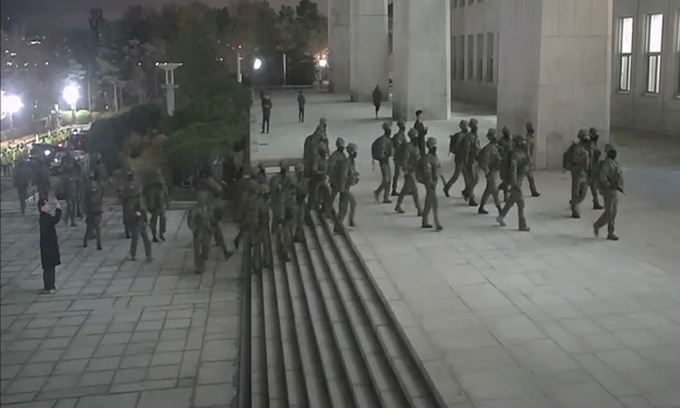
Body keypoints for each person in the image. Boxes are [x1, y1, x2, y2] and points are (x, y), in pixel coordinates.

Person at [497, 135, 531, 232]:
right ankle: (522, 225)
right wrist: (514, 183)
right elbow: (513, 170)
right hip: (516, 183)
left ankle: (501, 216)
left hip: (518, 181)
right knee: (521, 203)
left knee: (511, 201)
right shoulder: (516, 155)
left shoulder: (521, 154)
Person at [593, 145, 623, 241]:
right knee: (609, 212)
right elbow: (602, 177)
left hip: (613, 190)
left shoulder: (614, 163)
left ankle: (610, 232)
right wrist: (609, 185)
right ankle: (597, 225)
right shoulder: (607, 163)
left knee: (614, 212)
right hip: (609, 191)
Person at [563, 129, 591, 219]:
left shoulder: (586, 148)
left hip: (584, 172)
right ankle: (574, 209)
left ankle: (575, 202)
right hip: (577, 172)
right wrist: (583, 157)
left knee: (584, 192)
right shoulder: (576, 148)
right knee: (575, 191)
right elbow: (574, 160)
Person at [395, 129, 423, 216]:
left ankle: (398, 205)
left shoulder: (415, 146)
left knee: (405, 189)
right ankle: (419, 209)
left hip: (413, 170)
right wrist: (406, 170)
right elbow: (405, 159)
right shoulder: (409, 147)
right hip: (410, 171)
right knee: (414, 190)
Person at [334, 143, 359, 233]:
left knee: (344, 207)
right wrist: (342, 188)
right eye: (354, 151)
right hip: (344, 187)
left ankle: (339, 224)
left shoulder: (350, 162)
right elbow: (343, 175)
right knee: (351, 203)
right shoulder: (346, 162)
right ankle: (349, 222)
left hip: (346, 187)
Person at [419, 137, 443, 231]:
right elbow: (427, 172)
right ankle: (437, 223)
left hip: (433, 181)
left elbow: (438, 168)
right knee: (434, 203)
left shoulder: (433, 156)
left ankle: (424, 220)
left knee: (428, 202)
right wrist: (431, 182)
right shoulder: (428, 158)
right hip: (430, 182)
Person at [477, 128, 502, 215]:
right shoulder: (489, 148)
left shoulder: (495, 147)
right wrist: (487, 172)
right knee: (494, 191)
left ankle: (481, 207)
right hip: (491, 172)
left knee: (488, 190)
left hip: (494, 171)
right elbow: (485, 162)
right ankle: (500, 210)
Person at [39, 198, 61, 294]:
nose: (48, 206)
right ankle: (49, 286)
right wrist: (58, 209)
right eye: (46, 205)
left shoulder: (45, 217)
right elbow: (55, 220)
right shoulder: (45, 218)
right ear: (42, 207)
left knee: (50, 267)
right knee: (49, 268)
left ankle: (51, 285)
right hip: (48, 246)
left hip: (49, 246)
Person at [188, 191, 213, 274]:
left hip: (206, 229)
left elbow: (209, 219)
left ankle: (203, 257)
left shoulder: (207, 208)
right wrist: (194, 229)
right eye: (202, 198)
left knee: (207, 247)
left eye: (205, 198)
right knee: (197, 249)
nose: (204, 200)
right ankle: (199, 267)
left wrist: (210, 228)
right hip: (198, 230)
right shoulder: (194, 209)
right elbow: (191, 221)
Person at [443, 120, 469, 197]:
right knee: (457, 175)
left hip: (462, 158)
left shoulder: (462, 135)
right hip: (461, 158)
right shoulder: (461, 135)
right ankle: (447, 187)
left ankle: (467, 191)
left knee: (465, 176)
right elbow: (458, 147)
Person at [460, 118, 481, 206]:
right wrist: (466, 162)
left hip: (475, 160)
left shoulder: (476, 136)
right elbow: (466, 150)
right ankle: (471, 198)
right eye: (475, 126)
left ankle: (466, 191)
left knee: (476, 179)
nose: (476, 127)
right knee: (471, 180)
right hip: (470, 161)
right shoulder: (469, 137)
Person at [143, 170, 168, 242]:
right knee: (155, 220)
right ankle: (155, 235)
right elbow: (148, 197)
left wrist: (166, 201)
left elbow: (166, 193)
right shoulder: (151, 188)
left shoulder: (161, 187)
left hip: (161, 204)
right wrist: (150, 206)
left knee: (162, 219)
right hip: (156, 205)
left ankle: (161, 233)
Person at [372, 122, 394, 204]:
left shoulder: (385, 139)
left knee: (387, 179)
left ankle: (382, 194)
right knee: (387, 180)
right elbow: (383, 152)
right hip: (384, 162)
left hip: (385, 161)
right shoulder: (384, 140)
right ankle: (382, 194)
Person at [83, 171, 103, 250]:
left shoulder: (87, 188)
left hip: (91, 212)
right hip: (96, 211)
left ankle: (85, 241)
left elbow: (85, 201)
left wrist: (85, 210)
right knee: (97, 229)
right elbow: (100, 199)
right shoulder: (98, 188)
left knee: (89, 229)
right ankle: (98, 244)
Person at [327, 138, 347, 213]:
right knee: (332, 196)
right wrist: (332, 179)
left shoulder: (343, 155)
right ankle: (326, 209)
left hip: (341, 179)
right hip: (335, 180)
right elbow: (331, 169)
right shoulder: (334, 156)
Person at [588, 127, 604, 210]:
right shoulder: (590, 145)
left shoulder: (592, 144)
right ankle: (595, 202)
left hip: (593, 168)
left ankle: (595, 202)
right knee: (591, 186)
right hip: (591, 169)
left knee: (591, 186)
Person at [391, 120, 408, 196]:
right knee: (399, 173)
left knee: (400, 173)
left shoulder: (400, 135)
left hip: (400, 156)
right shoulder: (399, 136)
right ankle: (394, 189)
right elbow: (398, 146)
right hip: (399, 157)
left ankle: (406, 188)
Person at [525, 121, 541, 197]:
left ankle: (533, 191)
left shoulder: (530, 138)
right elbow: (528, 151)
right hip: (526, 161)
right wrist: (529, 161)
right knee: (522, 178)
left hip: (528, 160)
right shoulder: (528, 139)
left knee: (530, 177)